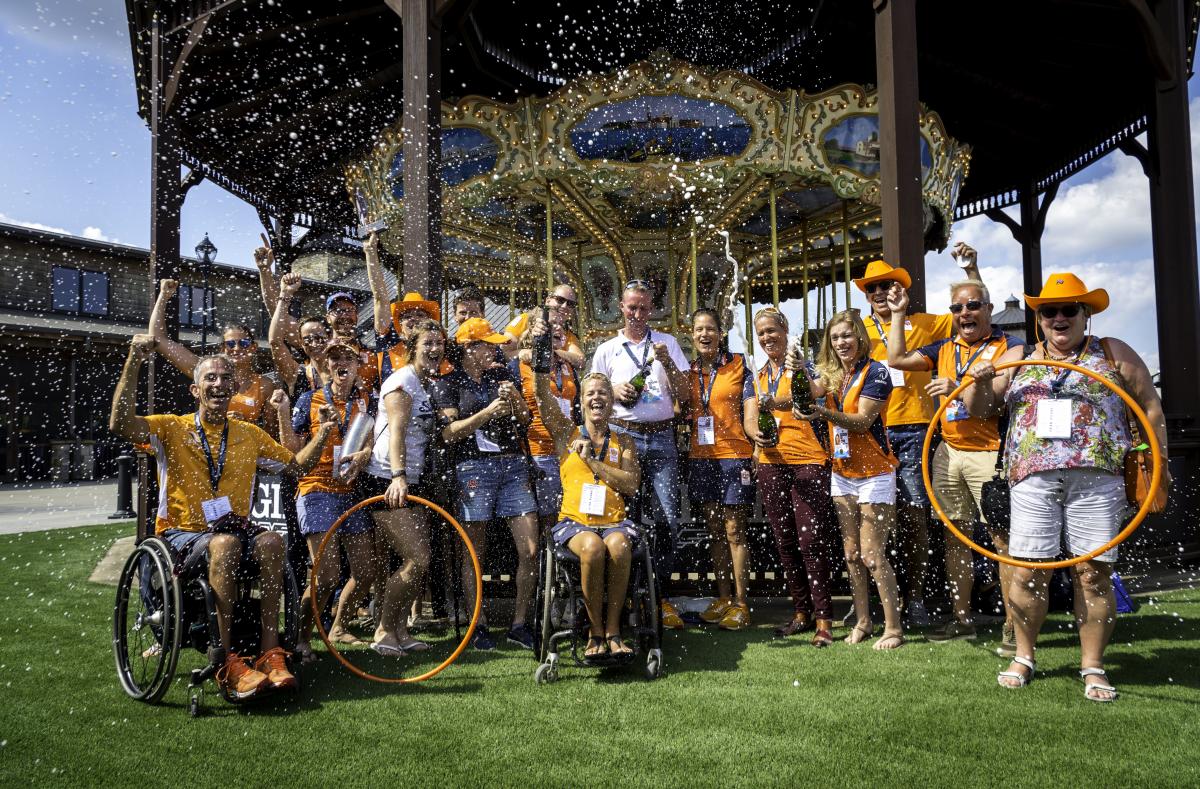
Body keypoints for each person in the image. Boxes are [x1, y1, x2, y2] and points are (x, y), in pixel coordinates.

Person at [965, 273, 1168, 701]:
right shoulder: (1017, 356)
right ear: (1038, 319)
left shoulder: (1113, 353)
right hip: (1032, 478)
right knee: (1027, 570)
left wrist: (1160, 461)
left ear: (1085, 314)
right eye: (1049, 311)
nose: (1059, 318)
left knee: (1093, 573)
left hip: (1098, 478)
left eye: (1068, 309)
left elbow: (1150, 406)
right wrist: (981, 381)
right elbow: (981, 410)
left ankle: (1092, 665)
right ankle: (1023, 656)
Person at [109, 336, 334, 700]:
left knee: (273, 540)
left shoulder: (249, 434)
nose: (218, 384)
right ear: (195, 390)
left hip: (232, 530)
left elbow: (297, 466)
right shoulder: (171, 428)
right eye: (210, 379)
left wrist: (324, 432)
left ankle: (270, 653)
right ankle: (225, 659)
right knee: (225, 543)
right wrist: (133, 360)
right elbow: (120, 424)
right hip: (181, 535)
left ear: (234, 387)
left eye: (225, 378)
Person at [884, 280, 1022, 648]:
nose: (965, 314)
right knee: (955, 537)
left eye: (973, 306)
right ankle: (963, 620)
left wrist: (957, 385)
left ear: (989, 309)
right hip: (949, 452)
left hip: (990, 454)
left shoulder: (1010, 346)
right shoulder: (945, 347)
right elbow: (896, 359)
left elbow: (988, 406)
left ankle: (1012, 625)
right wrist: (898, 314)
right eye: (957, 309)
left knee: (1001, 541)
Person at [855, 244, 985, 625]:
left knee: (915, 515)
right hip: (872, 432)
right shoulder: (856, 332)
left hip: (916, 431)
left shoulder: (930, 324)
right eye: (873, 288)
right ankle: (870, 602)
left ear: (901, 290)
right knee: (870, 519)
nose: (880, 293)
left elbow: (974, 315)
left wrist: (971, 270)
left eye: (888, 286)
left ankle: (916, 598)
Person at [531, 314, 641, 657]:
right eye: (590, 393)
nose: (596, 398)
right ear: (581, 402)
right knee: (592, 547)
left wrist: (593, 462)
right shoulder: (567, 433)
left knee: (620, 546)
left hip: (615, 522)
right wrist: (539, 351)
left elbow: (631, 485)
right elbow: (541, 396)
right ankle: (595, 632)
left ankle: (613, 630)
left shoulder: (624, 440)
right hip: (576, 524)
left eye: (603, 393)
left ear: (612, 401)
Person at [798, 310, 903, 650]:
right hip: (842, 473)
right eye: (835, 337)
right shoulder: (830, 374)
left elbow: (861, 421)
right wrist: (797, 368)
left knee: (873, 554)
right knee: (852, 553)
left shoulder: (877, 371)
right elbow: (808, 392)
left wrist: (823, 412)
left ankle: (893, 628)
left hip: (876, 474)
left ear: (860, 337)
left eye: (847, 336)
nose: (842, 342)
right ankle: (862, 621)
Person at [432, 317, 539, 651]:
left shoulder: (503, 375)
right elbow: (449, 433)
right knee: (474, 551)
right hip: (472, 467)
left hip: (514, 465)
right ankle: (477, 625)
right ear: (469, 348)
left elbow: (525, 420)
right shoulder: (448, 382)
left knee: (531, 549)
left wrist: (517, 403)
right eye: (487, 344)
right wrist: (488, 413)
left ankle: (520, 624)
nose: (495, 349)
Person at [589, 280, 691, 628]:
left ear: (652, 309)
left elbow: (685, 393)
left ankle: (658, 597)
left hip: (661, 437)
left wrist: (670, 365)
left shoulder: (669, 343)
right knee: (619, 521)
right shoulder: (607, 349)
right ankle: (624, 596)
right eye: (631, 307)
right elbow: (591, 396)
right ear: (621, 306)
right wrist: (612, 390)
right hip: (622, 436)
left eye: (643, 308)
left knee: (667, 521)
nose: (637, 314)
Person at [276, 342, 377, 659]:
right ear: (326, 365)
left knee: (365, 572)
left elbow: (371, 442)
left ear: (358, 365)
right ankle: (300, 638)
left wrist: (365, 454)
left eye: (348, 357)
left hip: (350, 491)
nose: (341, 362)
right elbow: (290, 450)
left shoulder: (365, 401)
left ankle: (339, 627)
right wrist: (320, 428)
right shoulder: (310, 399)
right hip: (315, 489)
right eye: (334, 358)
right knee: (327, 576)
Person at [359, 320, 448, 655]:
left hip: (413, 479)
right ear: (413, 346)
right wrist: (398, 476)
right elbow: (395, 431)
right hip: (387, 479)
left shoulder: (424, 385)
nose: (435, 349)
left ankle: (399, 631)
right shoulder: (402, 382)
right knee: (418, 557)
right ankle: (384, 630)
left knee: (415, 561)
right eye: (428, 343)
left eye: (439, 344)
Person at [753, 308, 838, 646]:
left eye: (772, 330)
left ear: (785, 330)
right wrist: (755, 436)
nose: (766, 338)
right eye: (761, 333)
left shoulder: (807, 366)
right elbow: (750, 412)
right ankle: (801, 612)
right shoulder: (756, 375)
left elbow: (816, 390)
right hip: (771, 462)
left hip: (809, 460)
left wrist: (780, 394)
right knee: (785, 542)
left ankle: (824, 619)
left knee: (811, 540)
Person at [686, 308, 757, 631]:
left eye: (710, 329)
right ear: (692, 335)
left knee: (735, 531)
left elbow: (751, 408)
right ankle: (724, 597)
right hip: (702, 458)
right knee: (715, 531)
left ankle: (742, 602)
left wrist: (757, 446)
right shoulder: (688, 371)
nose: (705, 335)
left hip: (734, 455)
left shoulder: (740, 365)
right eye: (699, 329)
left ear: (720, 332)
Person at [150, 279, 277, 433]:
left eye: (243, 343)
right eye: (230, 344)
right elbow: (158, 339)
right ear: (223, 348)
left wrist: (246, 425)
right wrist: (163, 296)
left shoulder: (265, 385)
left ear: (253, 347)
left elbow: (271, 432)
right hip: (206, 445)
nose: (236, 348)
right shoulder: (205, 371)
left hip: (241, 449)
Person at [512, 310, 579, 537]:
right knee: (548, 517)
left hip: (567, 449)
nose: (557, 329)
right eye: (550, 327)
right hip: (539, 450)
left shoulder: (566, 365)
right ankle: (548, 565)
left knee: (569, 512)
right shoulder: (521, 366)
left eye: (561, 326)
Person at [363, 231, 445, 381]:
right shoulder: (389, 342)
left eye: (420, 315)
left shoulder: (438, 349)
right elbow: (380, 298)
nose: (413, 319)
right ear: (399, 323)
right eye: (407, 316)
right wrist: (370, 252)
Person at [269, 272, 332, 398]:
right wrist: (285, 293)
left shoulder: (342, 371)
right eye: (307, 340)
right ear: (301, 343)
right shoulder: (297, 373)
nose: (314, 344)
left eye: (319, 338)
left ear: (329, 338)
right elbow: (275, 342)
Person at [502, 284, 585, 369]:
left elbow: (580, 361)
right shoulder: (524, 320)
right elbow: (504, 353)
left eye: (570, 304)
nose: (564, 306)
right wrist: (523, 353)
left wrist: (551, 353)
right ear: (548, 301)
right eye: (560, 300)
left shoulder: (567, 334)